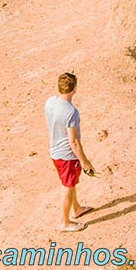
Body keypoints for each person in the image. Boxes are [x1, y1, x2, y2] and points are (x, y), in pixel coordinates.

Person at [44, 72, 95, 232]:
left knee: (71, 184)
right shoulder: (71, 112)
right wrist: (85, 162)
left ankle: (77, 209)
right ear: (74, 89)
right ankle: (65, 223)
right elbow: (73, 141)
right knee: (67, 187)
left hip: (54, 150)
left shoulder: (50, 102)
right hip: (67, 155)